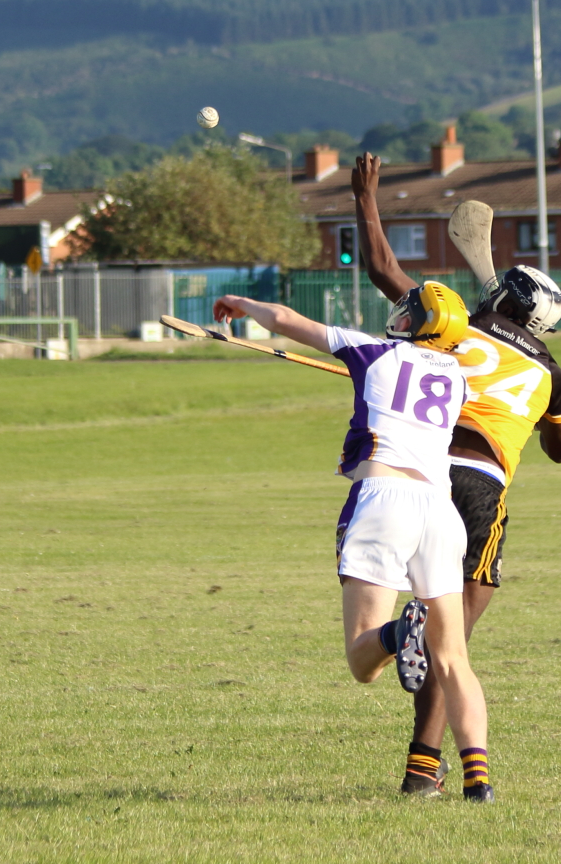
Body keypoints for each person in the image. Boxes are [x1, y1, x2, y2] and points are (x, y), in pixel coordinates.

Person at [213, 284, 495, 802]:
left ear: (419, 322)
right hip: (440, 509)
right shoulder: (459, 380)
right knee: (453, 656)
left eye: (410, 313)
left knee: (362, 660)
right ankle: (479, 783)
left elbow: (283, 318)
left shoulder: (372, 350)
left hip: (384, 498)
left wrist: (241, 305)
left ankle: (397, 635)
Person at [352, 153, 561, 797]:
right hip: (481, 487)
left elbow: (383, 271)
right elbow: (560, 450)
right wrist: (533, 408)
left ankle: (425, 768)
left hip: (417, 477)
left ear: (496, 296)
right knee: (454, 639)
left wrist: (367, 197)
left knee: (428, 633)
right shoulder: (552, 374)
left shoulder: (457, 328)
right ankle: (426, 770)